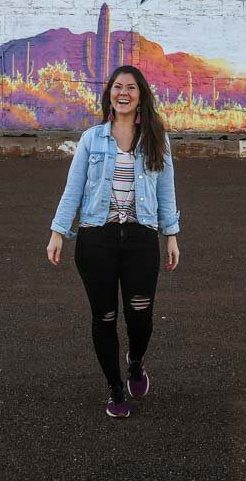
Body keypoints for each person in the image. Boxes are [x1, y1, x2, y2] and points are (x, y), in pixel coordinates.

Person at [45, 64, 181, 419]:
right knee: (104, 316)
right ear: (109, 94)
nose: (123, 93)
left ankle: (135, 361)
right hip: (96, 238)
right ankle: (115, 388)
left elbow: (166, 191)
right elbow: (73, 188)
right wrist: (59, 231)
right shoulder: (92, 138)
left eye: (131, 88)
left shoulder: (156, 138)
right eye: (117, 87)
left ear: (141, 96)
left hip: (141, 237)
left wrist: (171, 235)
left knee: (140, 314)